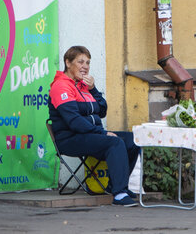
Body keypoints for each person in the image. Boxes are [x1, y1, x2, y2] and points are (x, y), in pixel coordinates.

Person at [49, 45, 140, 207]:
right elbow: (74, 121)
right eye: (80, 62)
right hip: (70, 139)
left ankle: (115, 185)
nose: (85, 66)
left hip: (90, 134)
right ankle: (119, 194)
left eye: (88, 63)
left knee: (133, 140)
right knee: (115, 142)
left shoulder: (83, 85)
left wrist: (93, 88)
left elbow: (102, 110)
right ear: (68, 63)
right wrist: (102, 133)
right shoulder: (61, 86)